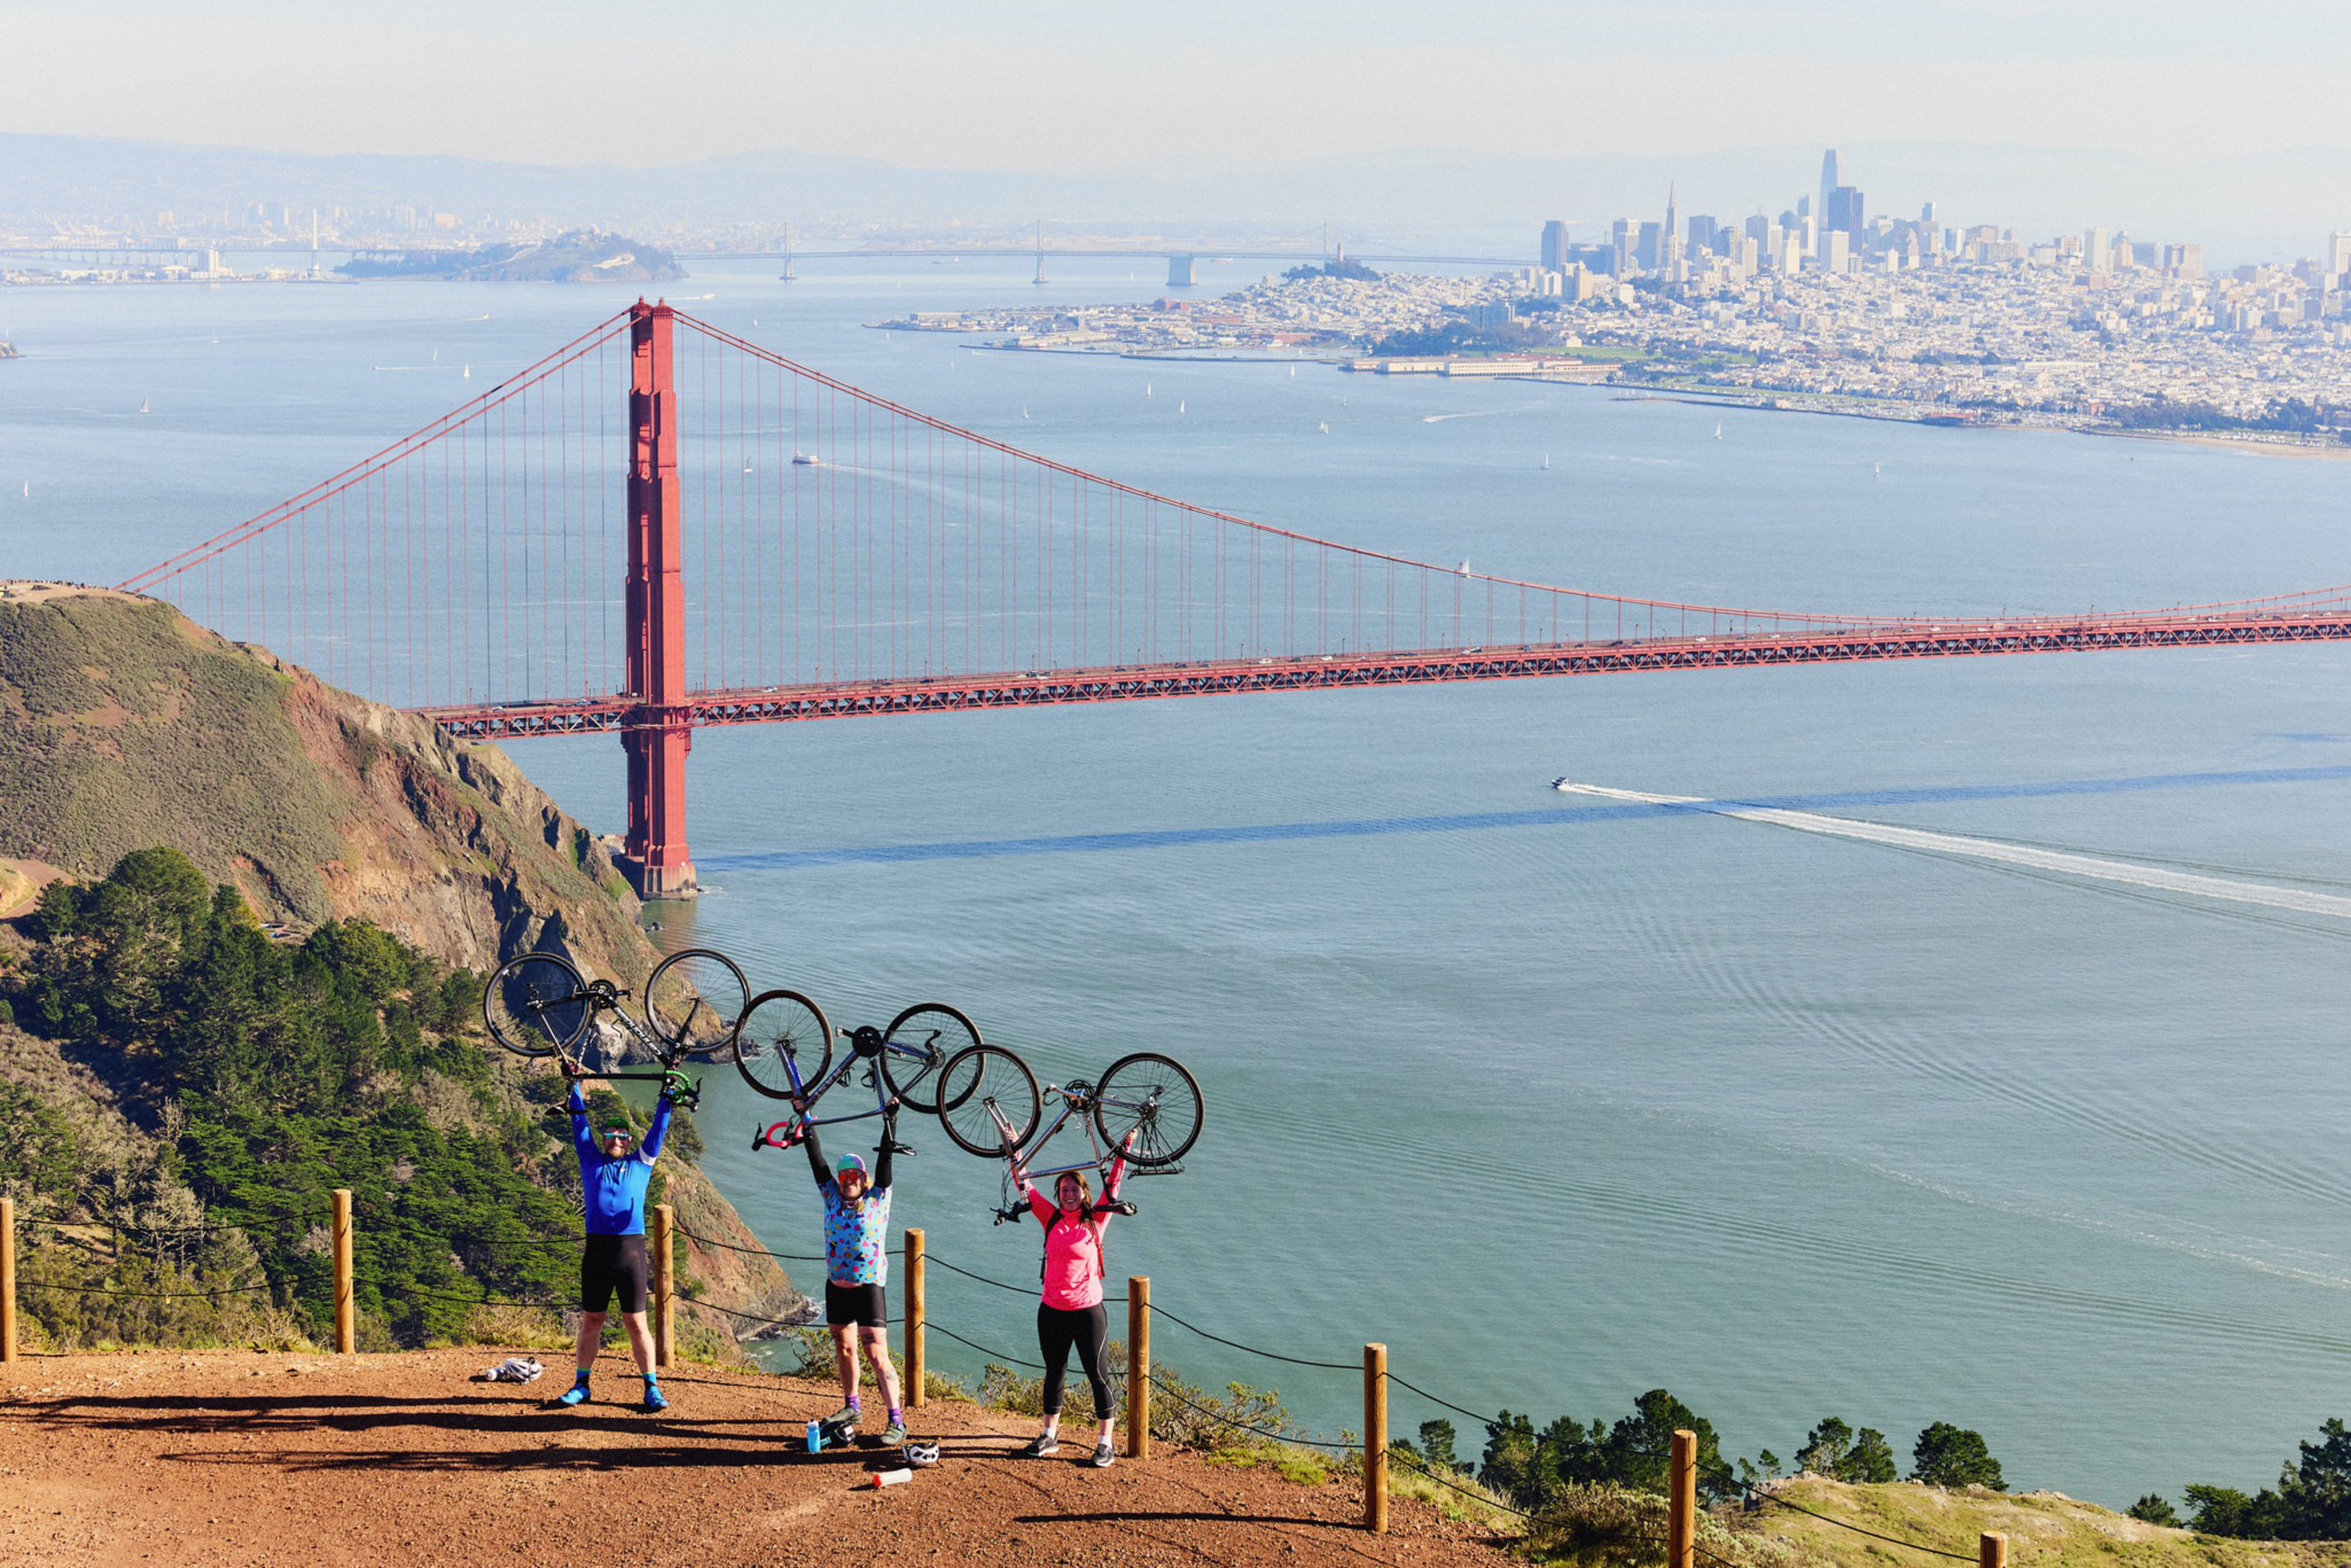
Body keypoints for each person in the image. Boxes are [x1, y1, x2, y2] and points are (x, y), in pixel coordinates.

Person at [548, 1063, 688, 1413]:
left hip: (630, 1252)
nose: (615, 1140)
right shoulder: (590, 1160)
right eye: (610, 1135)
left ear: (629, 1142)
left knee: (636, 1322)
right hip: (597, 1250)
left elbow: (659, 1128)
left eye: (622, 1136)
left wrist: (667, 1093)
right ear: (604, 1139)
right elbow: (578, 1122)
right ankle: (582, 1384)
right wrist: (575, 1084)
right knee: (591, 1320)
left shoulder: (641, 1163)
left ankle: (651, 1388)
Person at [1010, 1136, 1135, 1467]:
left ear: (1085, 1194)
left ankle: (1105, 1443)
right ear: (1058, 1195)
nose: (1069, 1194)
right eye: (1063, 1190)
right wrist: (1015, 1147)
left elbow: (1114, 1184)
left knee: (1098, 1374)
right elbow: (1023, 1181)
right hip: (1051, 1310)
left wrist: (1123, 1148)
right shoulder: (1048, 1217)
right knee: (1054, 1373)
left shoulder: (1097, 1218)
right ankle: (1049, 1436)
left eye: (1074, 1190)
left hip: (1088, 1312)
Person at [803, 1116, 907, 1446]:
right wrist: (807, 1122)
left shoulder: (879, 1199)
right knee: (845, 1348)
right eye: (843, 1174)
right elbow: (816, 1160)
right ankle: (853, 1407)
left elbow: (886, 1159)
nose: (848, 1180)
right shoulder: (831, 1196)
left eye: (855, 1175)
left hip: (869, 1289)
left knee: (877, 1355)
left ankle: (897, 1421)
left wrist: (890, 1119)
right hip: (836, 1288)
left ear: (865, 1179)